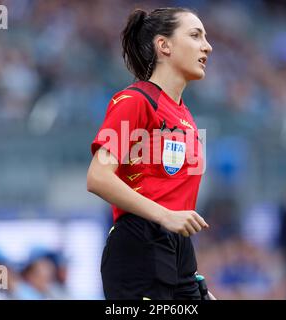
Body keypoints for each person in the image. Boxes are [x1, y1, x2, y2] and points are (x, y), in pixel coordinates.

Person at [87, 7, 215, 300]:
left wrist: (188, 272)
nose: (207, 45)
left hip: (178, 252)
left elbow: (173, 200)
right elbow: (97, 177)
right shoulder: (135, 101)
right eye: (195, 35)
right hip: (139, 246)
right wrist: (166, 216)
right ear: (164, 45)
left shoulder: (185, 115)